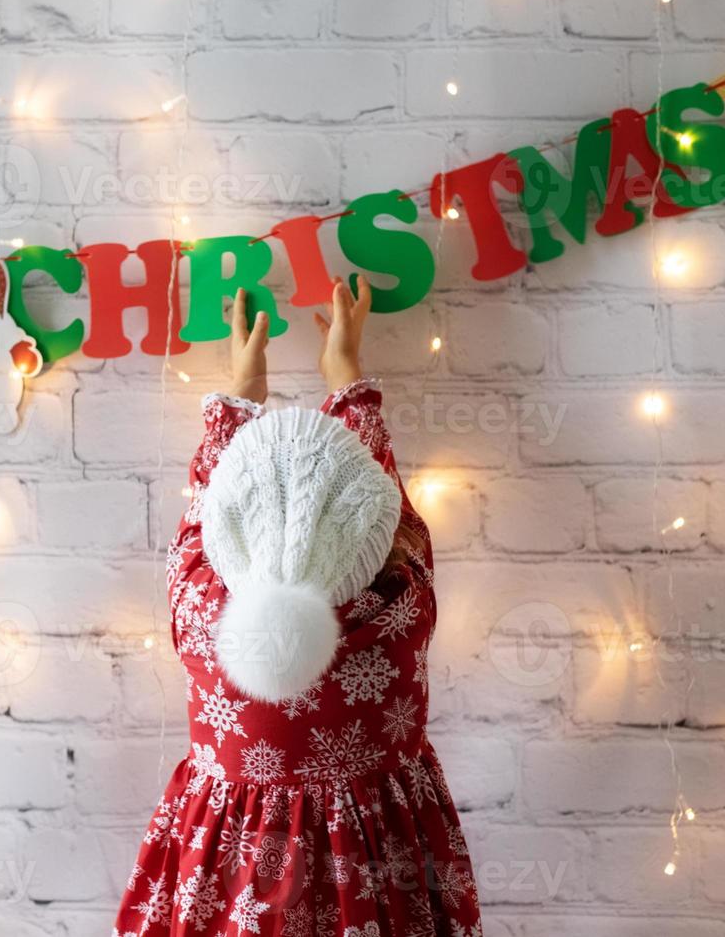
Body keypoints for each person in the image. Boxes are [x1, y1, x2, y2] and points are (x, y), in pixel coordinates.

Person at [112, 281, 483, 937]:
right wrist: (347, 376)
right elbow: (380, 501)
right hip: (378, 865)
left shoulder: (202, 602)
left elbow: (209, 507)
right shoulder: (402, 596)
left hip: (228, 862)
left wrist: (241, 394)